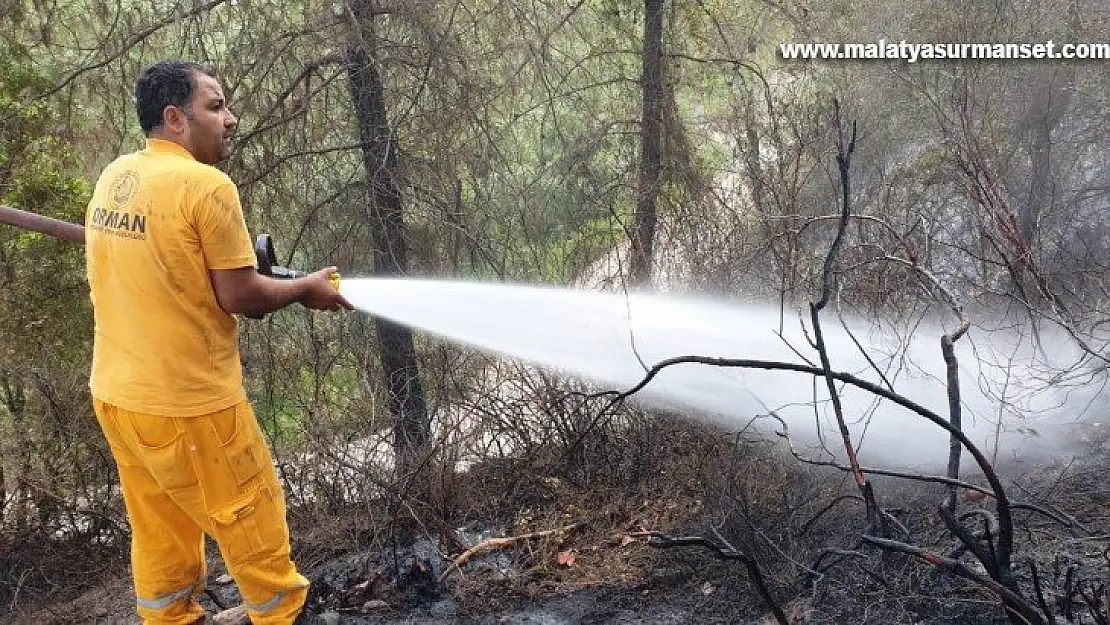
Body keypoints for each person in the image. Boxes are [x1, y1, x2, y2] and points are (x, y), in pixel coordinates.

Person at [85, 59, 352, 625]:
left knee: (161, 529)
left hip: (119, 396)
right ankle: (283, 616)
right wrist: (304, 288)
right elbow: (241, 296)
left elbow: (173, 271)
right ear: (175, 118)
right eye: (216, 106)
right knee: (250, 515)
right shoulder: (205, 186)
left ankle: (171, 617)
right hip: (190, 404)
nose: (230, 119)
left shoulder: (117, 176)